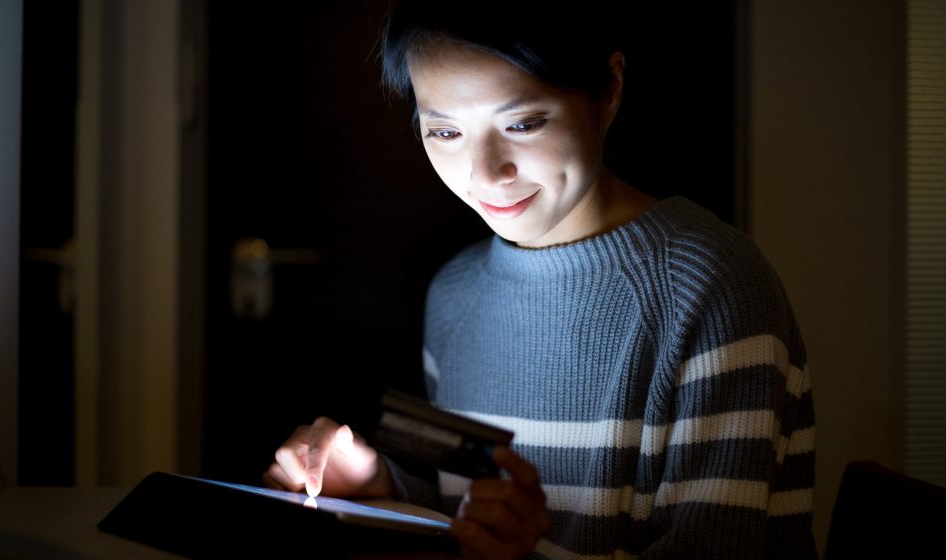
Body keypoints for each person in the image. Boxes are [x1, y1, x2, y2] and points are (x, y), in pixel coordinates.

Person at [262, 1, 817, 558]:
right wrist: (375, 487)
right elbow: (468, 509)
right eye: (446, 132)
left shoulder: (712, 287)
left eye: (523, 123)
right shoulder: (455, 294)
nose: (486, 173)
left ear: (608, 91)